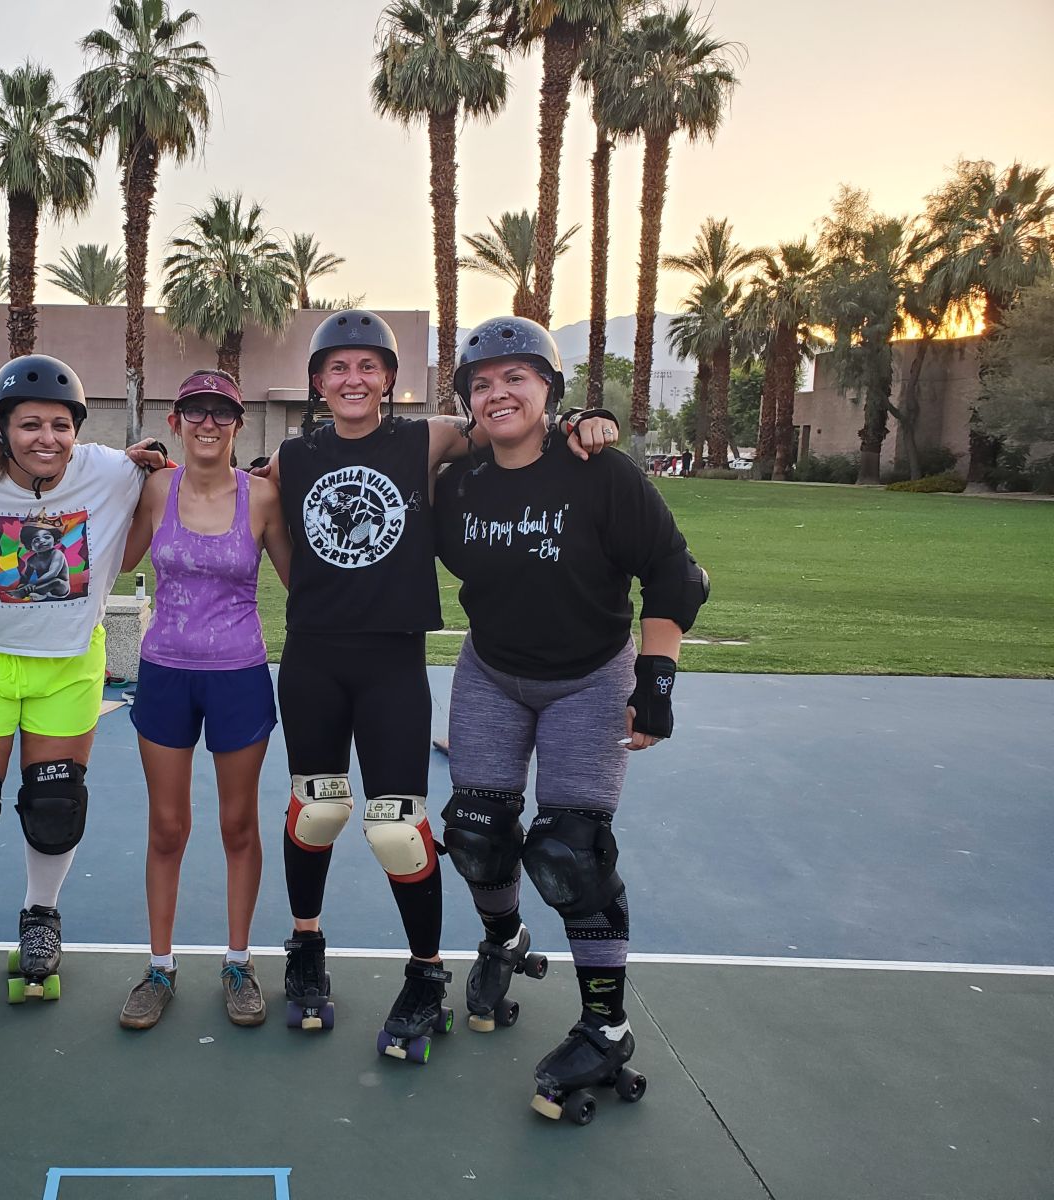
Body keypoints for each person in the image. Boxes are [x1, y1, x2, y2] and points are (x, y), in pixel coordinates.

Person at [259, 309, 619, 1061]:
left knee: (397, 826)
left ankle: (426, 973)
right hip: (314, 660)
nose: (353, 379)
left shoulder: (426, 439)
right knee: (316, 811)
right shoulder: (291, 458)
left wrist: (579, 420)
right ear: (318, 382)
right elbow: (270, 529)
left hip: (392, 661)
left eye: (368, 366)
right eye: (337, 368)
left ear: (390, 379)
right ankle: (305, 946)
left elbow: (510, 423)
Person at [434, 316, 709, 1121]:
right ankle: (504, 942)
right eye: (482, 384)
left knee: (568, 855)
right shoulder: (457, 484)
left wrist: (656, 681)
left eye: (516, 378)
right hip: (492, 672)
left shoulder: (600, 473)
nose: (499, 393)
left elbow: (675, 572)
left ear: (549, 390)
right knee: (476, 834)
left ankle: (606, 1027)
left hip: (589, 678)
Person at [0, 354, 166, 1037]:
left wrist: (152, 462)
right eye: (29, 425)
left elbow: (168, 490)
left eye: (60, 425)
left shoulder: (112, 473)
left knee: (56, 805)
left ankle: (41, 917)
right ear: (1, 427)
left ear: (77, 428)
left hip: (67, 665)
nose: (46, 438)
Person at [115, 370, 292, 1031]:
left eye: (222, 413)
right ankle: (160, 967)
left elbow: (304, 582)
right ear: (177, 421)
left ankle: (239, 962)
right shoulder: (157, 489)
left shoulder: (264, 497)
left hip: (238, 676)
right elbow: (115, 557)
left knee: (238, 826)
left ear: (238, 424)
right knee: (167, 827)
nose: (209, 423)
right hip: (165, 673)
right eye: (196, 411)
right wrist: (116, 474)